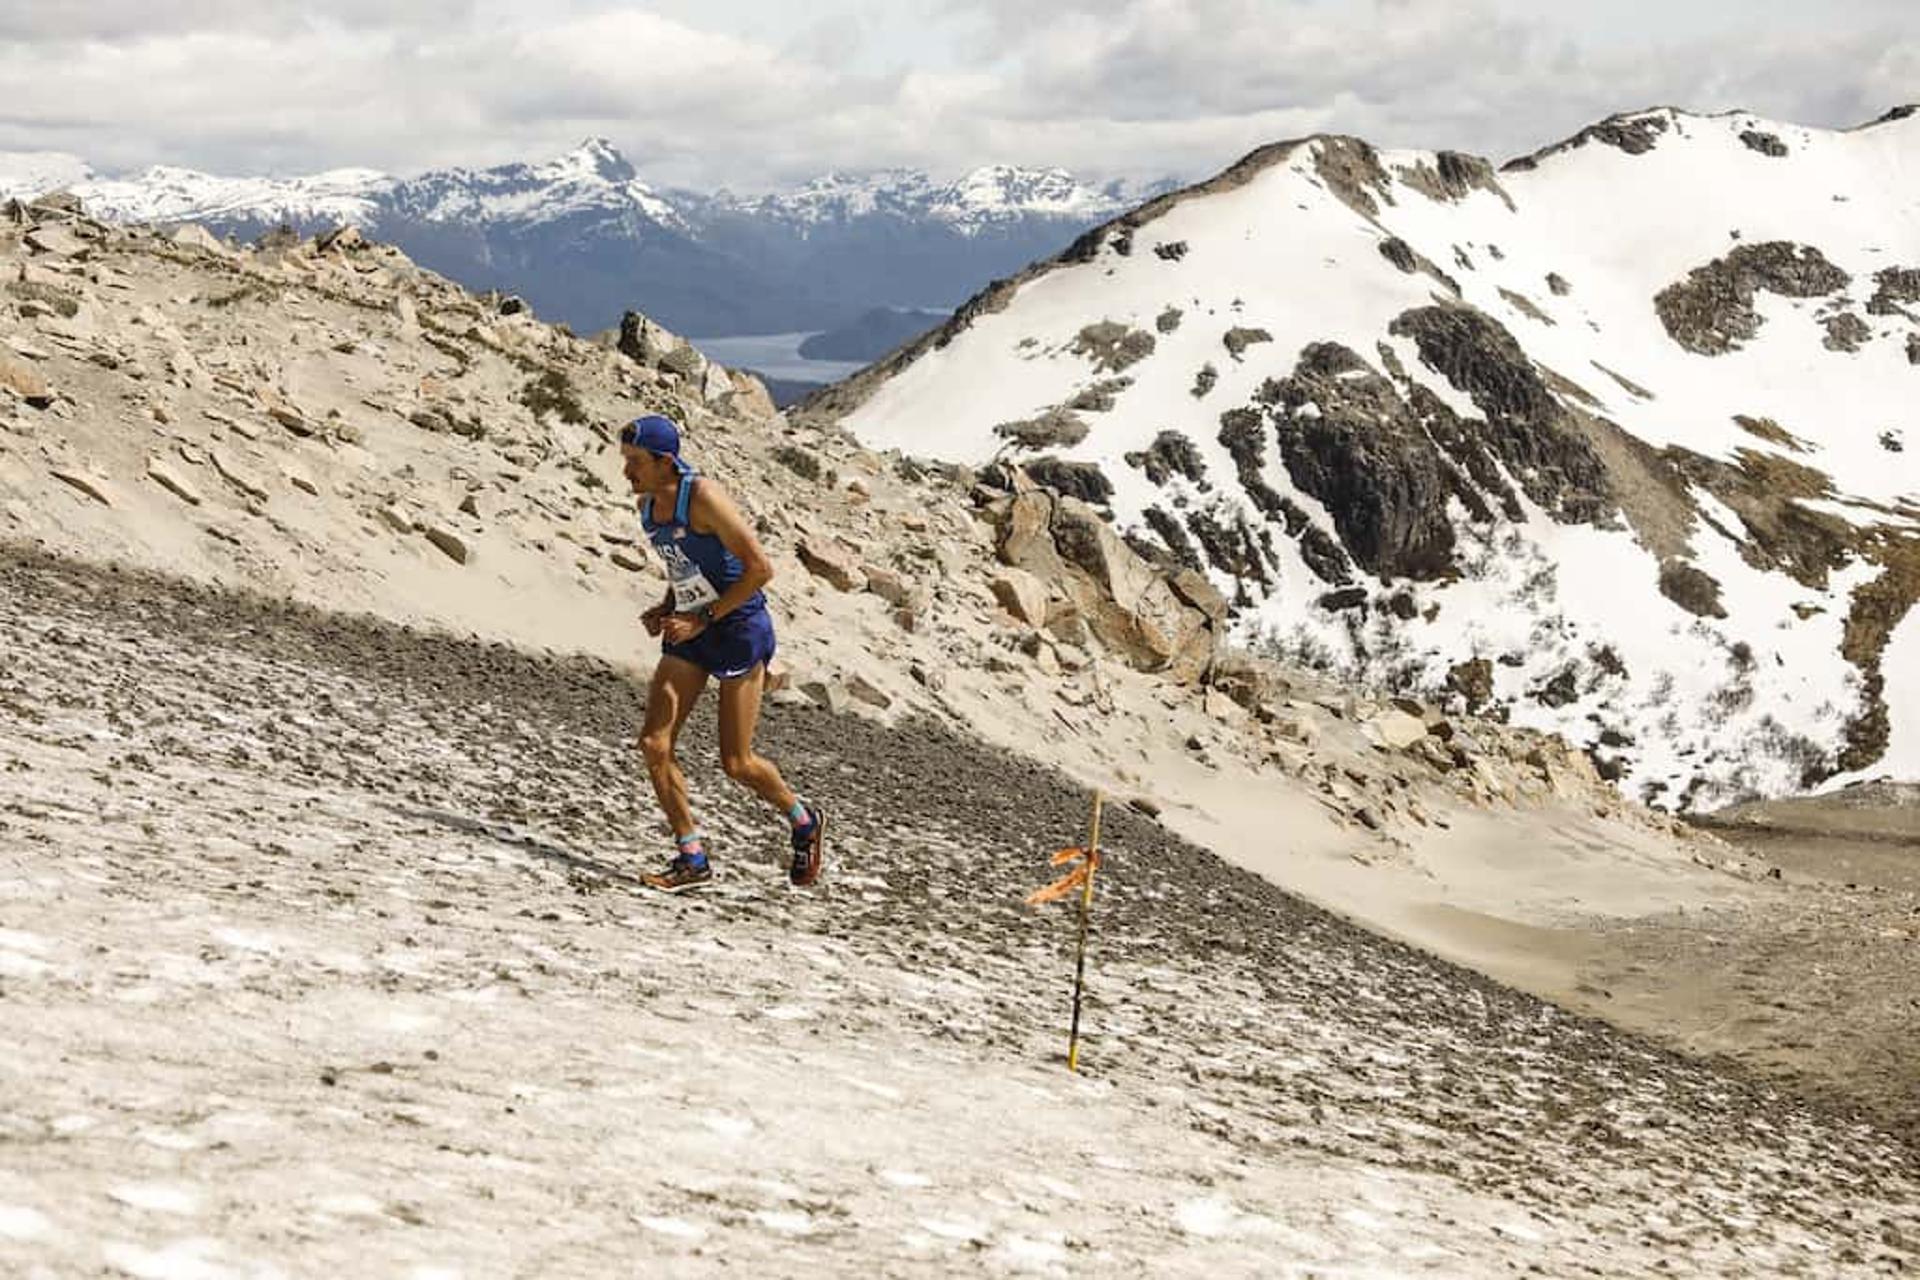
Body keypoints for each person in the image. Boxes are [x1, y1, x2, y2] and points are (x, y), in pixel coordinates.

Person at [618, 413, 825, 892]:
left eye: (636, 463)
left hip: (735, 629)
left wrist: (702, 619)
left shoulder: (704, 498)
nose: (627, 473)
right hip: (691, 630)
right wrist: (667, 606)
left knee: (737, 763)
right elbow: (683, 565)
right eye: (625, 461)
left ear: (665, 463)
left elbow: (760, 568)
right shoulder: (648, 504)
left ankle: (803, 821)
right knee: (654, 744)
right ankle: (691, 858)